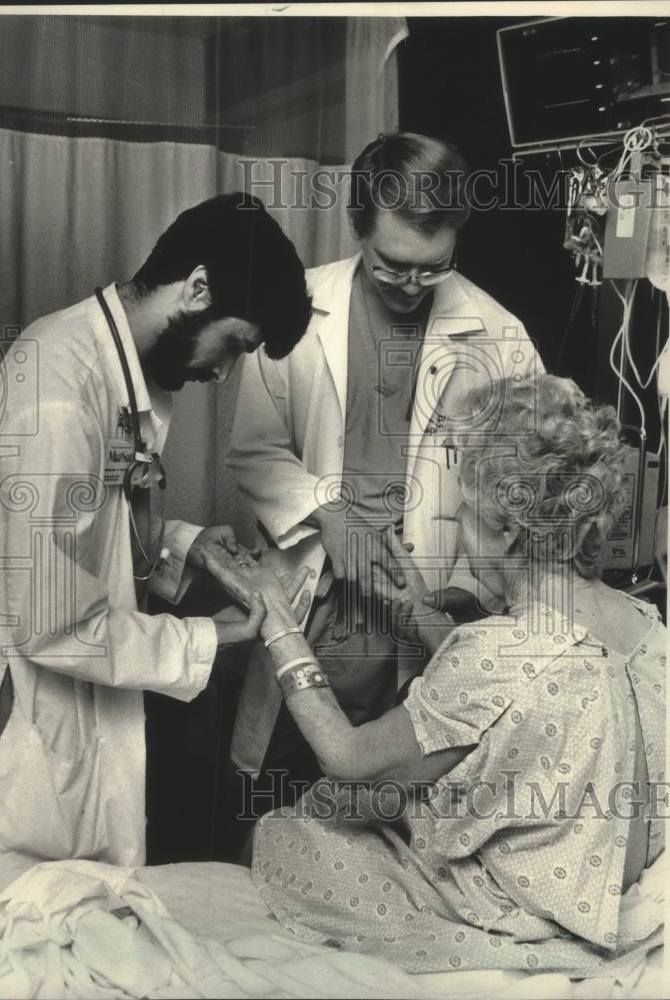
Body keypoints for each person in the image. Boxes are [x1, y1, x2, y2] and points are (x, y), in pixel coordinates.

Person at [231, 373, 665, 973]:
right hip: (608, 882)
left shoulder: (504, 650)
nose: (458, 523)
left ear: (509, 528)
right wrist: (422, 614)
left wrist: (279, 622)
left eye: (464, 506)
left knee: (294, 827)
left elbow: (349, 755)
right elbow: (517, 695)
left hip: (520, 910)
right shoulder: (650, 628)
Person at [0, 193, 312, 902]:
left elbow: (85, 533)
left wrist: (184, 546)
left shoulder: (116, 369)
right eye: (234, 345)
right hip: (36, 741)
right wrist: (206, 640)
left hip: (77, 723)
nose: (222, 374)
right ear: (197, 288)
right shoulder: (60, 396)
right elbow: (55, 622)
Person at [227, 132, 543, 792]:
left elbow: (519, 488)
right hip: (316, 597)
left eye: (432, 267)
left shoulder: (500, 336)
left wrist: (460, 591)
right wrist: (326, 513)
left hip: (426, 610)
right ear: (358, 227)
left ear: (455, 234)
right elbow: (254, 451)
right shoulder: (298, 312)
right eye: (391, 264)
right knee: (279, 788)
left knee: (394, 813)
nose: (410, 285)